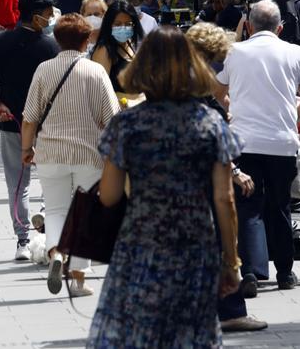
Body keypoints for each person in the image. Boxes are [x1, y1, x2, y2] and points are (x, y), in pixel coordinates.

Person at [88, 26, 244, 347]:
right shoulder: (210, 123)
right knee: (191, 333)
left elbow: (109, 196)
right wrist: (231, 262)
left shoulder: (127, 124)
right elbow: (224, 198)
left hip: (140, 243)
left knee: (141, 334)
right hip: (194, 244)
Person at [215, 0, 300, 293]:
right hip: (282, 143)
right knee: (280, 206)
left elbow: (217, 91)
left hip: (244, 142)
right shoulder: (295, 52)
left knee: (248, 208)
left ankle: (250, 272)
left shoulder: (234, 52)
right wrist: (293, 112)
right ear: (281, 27)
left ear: (248, 26)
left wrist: (232, 107)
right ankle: (285, 272)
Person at [21, 14, 119, 297]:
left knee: (55, 209)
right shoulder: (96, 72)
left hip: (50, 153)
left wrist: (28, 150)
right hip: (89, 155)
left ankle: (55, 253)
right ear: (87, 40)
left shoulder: (43, 70)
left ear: (56, 40)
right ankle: (78, 281)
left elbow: (30, 118)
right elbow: (111, 119)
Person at [185, 23, 268, 333]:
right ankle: (231, 311)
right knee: (221, 241)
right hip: (205, 175)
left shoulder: (174, 78)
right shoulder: (201, 83)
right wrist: (233, 170)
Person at [0, 0, 60, 261]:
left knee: (18, 183)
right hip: (47, 122)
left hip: (13, 120)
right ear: (36, 17)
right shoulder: (51, 46)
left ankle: (22, 241)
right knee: (52, 178)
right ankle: (45, 218)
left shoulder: (1, 40)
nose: (50, 19)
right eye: (47, 15)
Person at [91, 0, 145, 97]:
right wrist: (128, 98)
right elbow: (99, 92)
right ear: (109, 25)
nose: (123, 28)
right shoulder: (104, 50)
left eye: (128, 24)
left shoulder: (130, 45)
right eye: (118, 24)